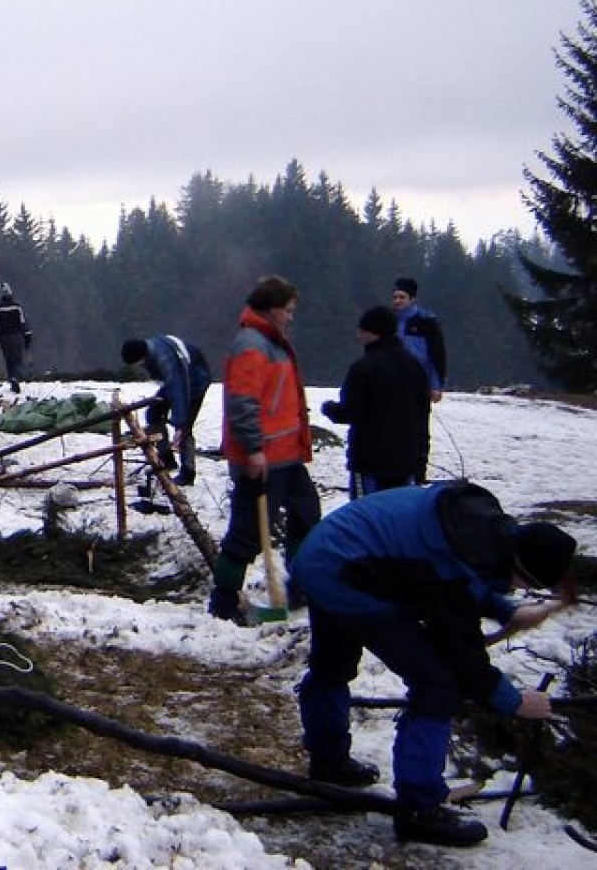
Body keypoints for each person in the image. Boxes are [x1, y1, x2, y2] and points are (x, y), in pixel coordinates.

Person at [290, 480, 575, 847]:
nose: (518, 589)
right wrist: (515, 701)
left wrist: (507, 609)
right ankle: (419, 808)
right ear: (518, 564)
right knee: (437, 683)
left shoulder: (476, 525)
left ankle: (328, 761)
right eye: (522, 585)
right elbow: (462, 654)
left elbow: (461, 578)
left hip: (326, 552)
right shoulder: (452, 561)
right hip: (345, 573)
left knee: (333, 664)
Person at [210, 274, 319, 622]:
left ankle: (302, 585)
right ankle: (224, 599)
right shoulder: (251, 345)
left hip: (287, 455)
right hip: (263, 458)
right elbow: (243, 403)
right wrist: (254, 449)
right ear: (271, 310)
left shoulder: (274, 342)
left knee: (307, 515)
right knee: (248, 531)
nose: (290, 317)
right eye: (287, 310)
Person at [320, 305, 430, 497]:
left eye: (362, 330)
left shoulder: (363, 368)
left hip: (370, 461)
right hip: (406, 460)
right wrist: (421, 458)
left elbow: (349, 412)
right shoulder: (416, 367)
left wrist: (328, 408)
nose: (358, 335)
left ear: (373, 333)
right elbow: (423, 414)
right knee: (397, 517)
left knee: (364, 517)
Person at [120, 334, 212, 486]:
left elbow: (178, 389)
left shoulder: (165, 360)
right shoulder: (152, 349)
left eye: (136, 364)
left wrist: (180, 424)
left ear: (140, 357)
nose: (138, 367)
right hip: (178, 379)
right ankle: (166, 458)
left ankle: (187, 472)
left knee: (185, 427)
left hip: (195, 380)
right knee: (154, 414)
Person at [391, 277, 447, 482]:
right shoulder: (390, 321)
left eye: (402, 297)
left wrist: (437, 385)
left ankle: (418, 471)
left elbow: (438, 355)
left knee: (419, 430)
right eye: (395, 297)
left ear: (412, 298)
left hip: (419, 385)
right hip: (394, 384)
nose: (397, 301)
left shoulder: (426, 322)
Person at [0, 283, 33, 394]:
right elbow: (23, 323)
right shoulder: (17, 307)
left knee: (8, 360)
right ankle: (17, 376)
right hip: (17, 337)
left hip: (4, 339)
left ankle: (12, 379)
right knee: (17, 359)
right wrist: (28, 336)